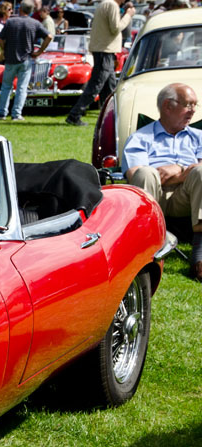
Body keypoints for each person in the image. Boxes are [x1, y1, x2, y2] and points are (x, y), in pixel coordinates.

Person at [124, 83, 202, 281]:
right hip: (153, 194)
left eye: (195, 105)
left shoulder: (198, 137)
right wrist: (185, 169)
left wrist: (179, 170)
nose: (193, 111)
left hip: (188, 196)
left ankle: (200, 254)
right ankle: (145, 253)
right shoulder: (141, 138)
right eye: (188, 105)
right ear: (168, 106)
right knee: (145, 172)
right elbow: (135, 174)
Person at [65, 0, 135, 126]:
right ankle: (74, 115)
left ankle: (110, 117)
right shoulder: (112, 5)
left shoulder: (105, 4)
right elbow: (116, 28)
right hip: (105, 50)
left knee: (109, 87)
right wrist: (128, 15)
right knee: (96, 85)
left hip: (103, 50)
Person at [0, 0, 51, 121]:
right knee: (22, 88)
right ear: (31, 11)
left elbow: (0, 39)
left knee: (6, 87)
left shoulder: (11, 22)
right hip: (26, 59)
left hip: (10, 58)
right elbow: (49, 36)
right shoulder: (35, 23)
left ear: (20, 9)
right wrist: (40, 51)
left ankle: (2, 113)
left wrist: (4, 49)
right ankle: (16, 114)